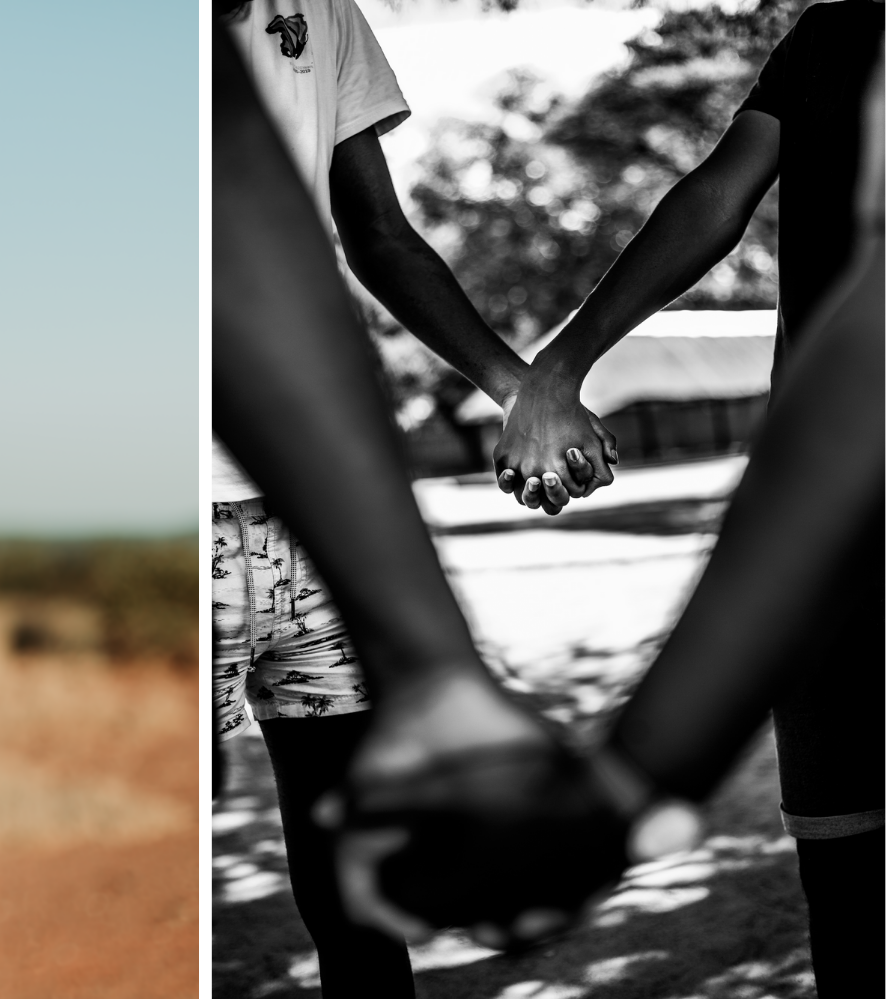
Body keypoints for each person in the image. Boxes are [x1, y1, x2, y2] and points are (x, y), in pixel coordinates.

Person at [346, 46, 885, 998]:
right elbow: (718, 198)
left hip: (838, 517)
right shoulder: (837, 39)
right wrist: (548, 371)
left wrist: (623, 786)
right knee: (847, 873)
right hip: (844, 556)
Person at [211, 0, 611, 992]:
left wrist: (520, 384)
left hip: (302, 508)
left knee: (352, 864)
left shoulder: (321, 11)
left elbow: (377, 233)